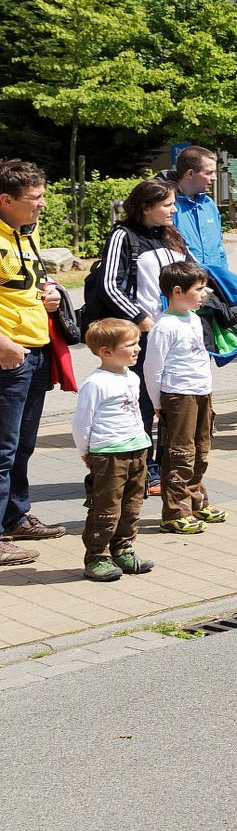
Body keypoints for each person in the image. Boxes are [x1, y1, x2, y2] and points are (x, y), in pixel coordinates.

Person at [96, 179, 192, 495]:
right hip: (145, 335)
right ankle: (145, 469)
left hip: (176, 335)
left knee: (173, 401)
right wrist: (141, 320)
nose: (173, 210)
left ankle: (169, 467)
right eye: (167, 205)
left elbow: (189, 277)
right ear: (145, 207)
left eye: (173, 203)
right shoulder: (124, 236)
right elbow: (110, 285)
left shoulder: (172, 238)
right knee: (144, 403)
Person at [0, 160, 64, 566]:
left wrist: (51, 295)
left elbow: (28, 284)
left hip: (34, 350)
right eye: (34, 198)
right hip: (8, 354)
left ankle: (16, 516)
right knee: (2, 450)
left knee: (22, 445)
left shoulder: (27, 231)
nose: (41, 205)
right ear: (6, 200)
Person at [71, 318, 156, 583]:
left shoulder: (131, 377)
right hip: (109, 453)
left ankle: (123, 549)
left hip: (136, 449)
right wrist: (86, 451)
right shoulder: (95, 384)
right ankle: (97, 556)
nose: (137, 349)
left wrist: (143, 440)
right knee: (106, 508)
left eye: (137, 343)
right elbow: (82, 421)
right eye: (130, 345)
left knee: (132, 505)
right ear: (106, 352)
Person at [143, 260, 223, 533]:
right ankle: (175, 511)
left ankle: (197, 502)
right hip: (178, 396)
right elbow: (152, 368)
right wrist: (158, 403)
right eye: (199, 289)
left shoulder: (195, 319)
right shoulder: (163, 327)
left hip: (201, 393)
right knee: (180, 454)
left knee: (201, 449)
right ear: (177, 291)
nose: (205, 293)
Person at [167, 146, 237, 308]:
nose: (215, 178)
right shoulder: (169, 205)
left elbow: (219, 249)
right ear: (190, 174)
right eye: (209, 173)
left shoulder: (209, 204)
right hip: (183, 293)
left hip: (213, 291)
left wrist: (222, 281)